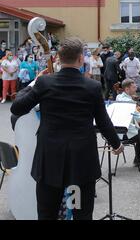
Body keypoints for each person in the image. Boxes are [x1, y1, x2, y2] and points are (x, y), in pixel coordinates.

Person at [10, 37, 124, 220]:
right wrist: (116, 144)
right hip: (78, 165)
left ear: (58, 60)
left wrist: (34, 84)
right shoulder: (92, 86)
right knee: (80, 212)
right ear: (80, 59)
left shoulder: (44, 83)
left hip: (50, 163)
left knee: (47, 213)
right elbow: (103, 122)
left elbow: (17, 108)